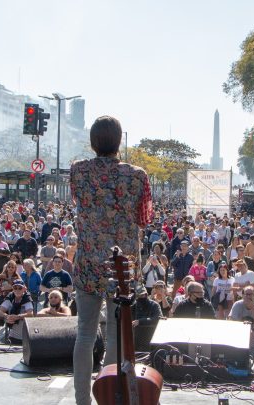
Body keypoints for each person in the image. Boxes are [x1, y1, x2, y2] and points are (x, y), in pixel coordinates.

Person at [70, 116, 153, 405]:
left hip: (88, 265)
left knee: (85, 334)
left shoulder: (78, 171)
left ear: (93, 142)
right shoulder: (137, 175)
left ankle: (82, 401)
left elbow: (79, 203)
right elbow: (145, 219)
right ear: (119, 141)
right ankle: (110, 398)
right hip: (121, 268)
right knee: (116, 337)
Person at [0, 280, 34, 344]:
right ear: (12, 289)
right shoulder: (10, 297)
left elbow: (30, 314)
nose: (17, 290)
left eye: (20, 288)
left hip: (25, 336)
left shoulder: (27, 299)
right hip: (12, 335)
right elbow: (0, 311)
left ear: (24, 289)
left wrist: (17, 317)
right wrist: (7, 316)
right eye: (15, 288)